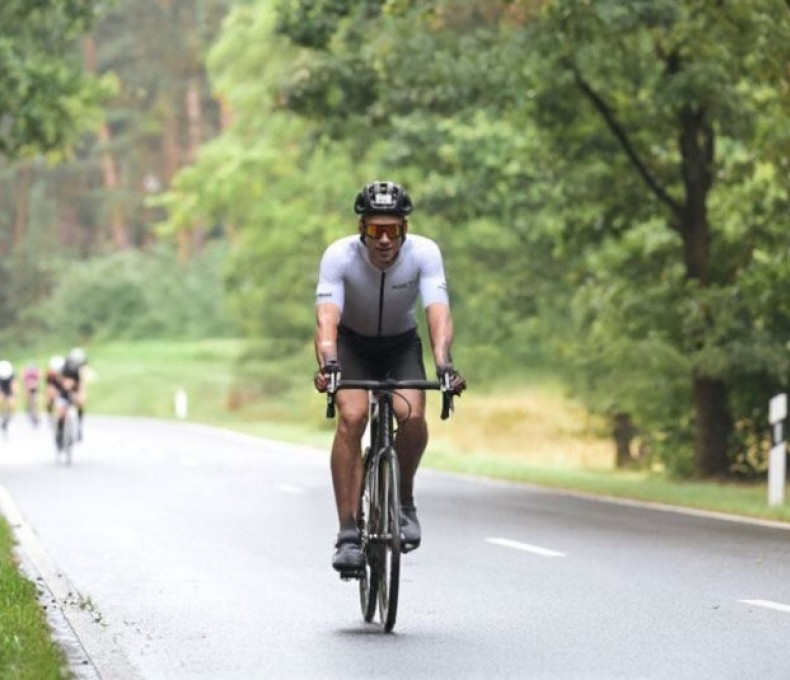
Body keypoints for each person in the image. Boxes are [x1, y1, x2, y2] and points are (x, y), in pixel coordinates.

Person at [313, 180, 466, 575]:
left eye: (392, 230)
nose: (384, 240)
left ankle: (403, 500)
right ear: (361, 229)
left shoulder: (424, 254)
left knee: (412, 417)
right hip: (352, 346)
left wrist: (444, 364)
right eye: (375, 229)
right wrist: (329, 363)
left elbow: (438, 311)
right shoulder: (339, 256)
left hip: (400, 347)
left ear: (405, 230)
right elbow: (327, 319)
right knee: (352, 418)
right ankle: (348, 534)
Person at [59, 347, 88, 442]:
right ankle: (60, 432)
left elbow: (82, 383)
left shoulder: (82, 369)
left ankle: (79, 425)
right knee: (62, 411)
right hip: (64, 389)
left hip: (75, 388)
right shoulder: (65, 367)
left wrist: (81, 394)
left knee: (80, 402)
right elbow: (62, 380)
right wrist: (67, 387)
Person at [0, 359, 16, 433]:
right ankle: (1, 415)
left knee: (11, 403)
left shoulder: (11, 374)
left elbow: (14, 384)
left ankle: (11, 417)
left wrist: (13, 393)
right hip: (2, 388)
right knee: (1, 399)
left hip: (9, 389)